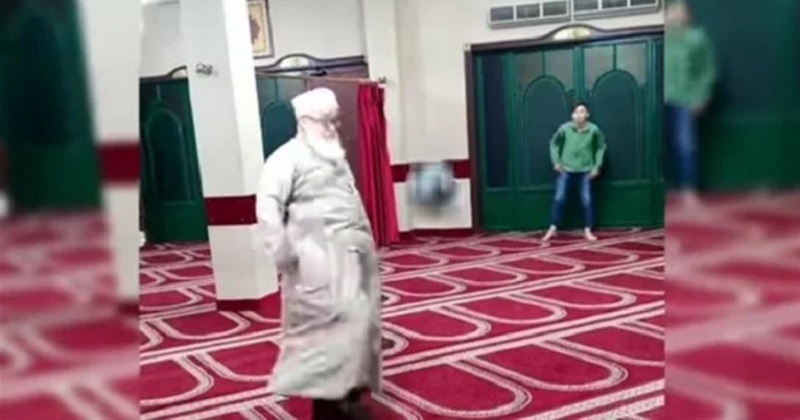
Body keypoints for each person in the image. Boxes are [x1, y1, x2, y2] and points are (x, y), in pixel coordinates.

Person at [255, 88, 381, 420]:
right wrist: (286, 258)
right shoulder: (284, 159)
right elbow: (268, 214)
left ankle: (350, 400)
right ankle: (329, 412)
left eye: (333, 120)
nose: (331, 126)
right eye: (324, 120)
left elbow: (354, 205)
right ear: (304, 122)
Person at [665, 0, 717, 206]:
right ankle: (666, 188)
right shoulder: (660, 38)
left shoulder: (697, 38)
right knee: (660, 145)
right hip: (660, 100)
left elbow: (708, 70)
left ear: (688, 15)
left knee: (685, 144)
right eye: (672, 11)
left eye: (680, 12)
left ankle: (688, 188)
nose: (676, 16)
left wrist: (701, 96)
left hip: (685, 99)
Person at [542, 102, 607, 242]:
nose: (579, 115)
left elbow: (601, 147)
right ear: (572, 115)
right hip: (566, 169)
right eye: (576, 112)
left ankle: (588, 229)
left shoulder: (594, 130)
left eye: (582, 111)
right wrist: (556, 161)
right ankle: (553, 228)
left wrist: (597, 166)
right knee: (559, 198)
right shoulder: (564, 129)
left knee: (586, 199)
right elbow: (554, 143)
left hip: (585, 170)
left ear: (587, 114)